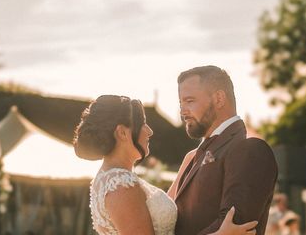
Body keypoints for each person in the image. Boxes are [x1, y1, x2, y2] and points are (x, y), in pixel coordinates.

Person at [74, 94, 258, 235]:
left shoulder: (115, 178)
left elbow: (159, 213)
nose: (149, 131)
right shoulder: (120, 185)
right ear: (122, 133)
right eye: (142, 124)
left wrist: (190, 161)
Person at [171, 65, 278, 235]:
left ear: (219, 98)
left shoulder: (250, 149)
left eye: (189, 101)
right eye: (181, 103)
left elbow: (235, 226)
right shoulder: (193, 156)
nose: (182, 111)